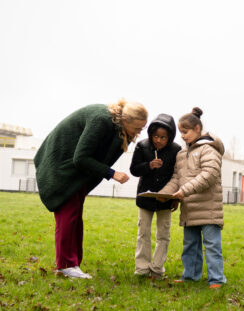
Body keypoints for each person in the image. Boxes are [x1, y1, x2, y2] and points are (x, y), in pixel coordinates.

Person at [34, 99, 148, 279]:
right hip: (61, 168)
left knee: (75, 216)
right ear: (125, 119)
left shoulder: (115, 125)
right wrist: (111, 173)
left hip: (74, 172)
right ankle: (65, 266)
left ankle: (72, 265)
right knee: (68, 216)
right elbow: (80, 157)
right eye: (137, 128)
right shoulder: (101, 121)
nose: (138, 132)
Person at [158, 107, 226, 289]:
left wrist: (184, 190)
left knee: (211, 245)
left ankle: (216, 279)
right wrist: (165, 194)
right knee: (190, 245)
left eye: (185, 131)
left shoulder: (209, 150)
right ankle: (190, 276)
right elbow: (176, 179)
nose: (182, 136)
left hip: (208, 209)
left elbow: (210, 174)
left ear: (197, 129)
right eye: (180, 132)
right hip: (189, 209)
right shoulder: (181, 154)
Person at [130, 114, 181, 278]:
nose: (159, 140)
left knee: (163, 235)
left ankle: (157, 268)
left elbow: (179, 175)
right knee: (143, 233)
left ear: (170, 137)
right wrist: (149, 165)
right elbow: (134, 170)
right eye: (156, 136)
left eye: (163, 137)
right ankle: (142, 268)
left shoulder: (176, 150)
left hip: (166, 199)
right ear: (151, 134)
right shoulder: (142, 146)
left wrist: (175, 198)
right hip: (145, 198)